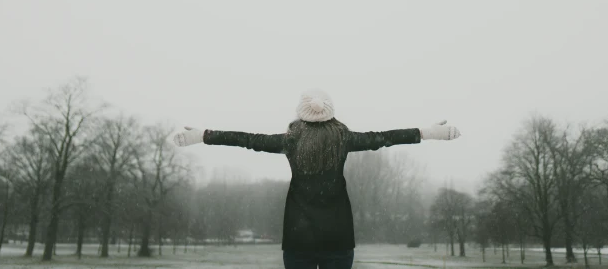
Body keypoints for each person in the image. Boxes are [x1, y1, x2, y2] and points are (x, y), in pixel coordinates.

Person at [172, 89, 461, 269]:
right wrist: (427, 132)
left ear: (301, 113)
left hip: (299, 238)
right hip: (338, 236)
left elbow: (245, 139)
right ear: (330, 112)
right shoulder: (343, 138)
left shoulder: (291, 140)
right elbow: (384, 138)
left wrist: (202, 136)